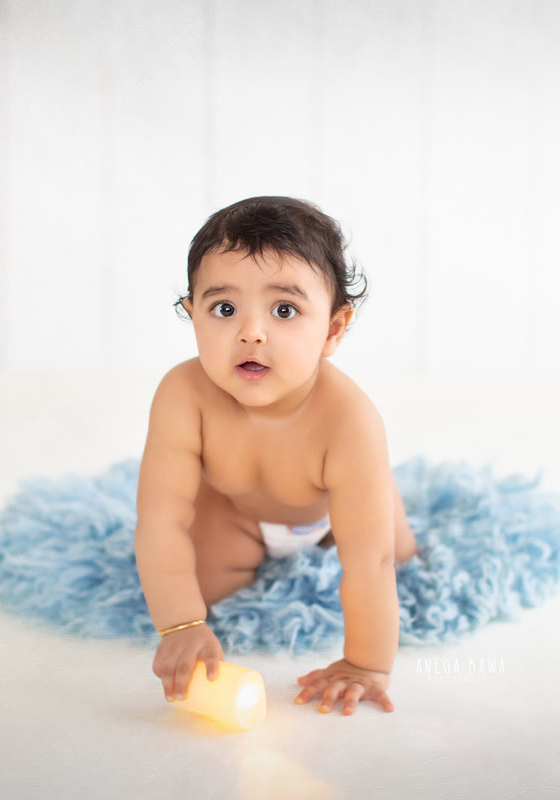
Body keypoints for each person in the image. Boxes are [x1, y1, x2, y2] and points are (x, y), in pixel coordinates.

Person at [134, 196, 417, 718]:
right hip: (238, 509)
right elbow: (160, 519)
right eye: (224, 308)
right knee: (204, 590)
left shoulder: (348, 420)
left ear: (333, 329)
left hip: (330, 508)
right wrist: (181, 623)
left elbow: (369, 562)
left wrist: (365, 663)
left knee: (395, 553)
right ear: (191, 313)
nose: (251, 331)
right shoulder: (183, 393)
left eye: (284, 310)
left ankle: (382, 498)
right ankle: (222, 574)